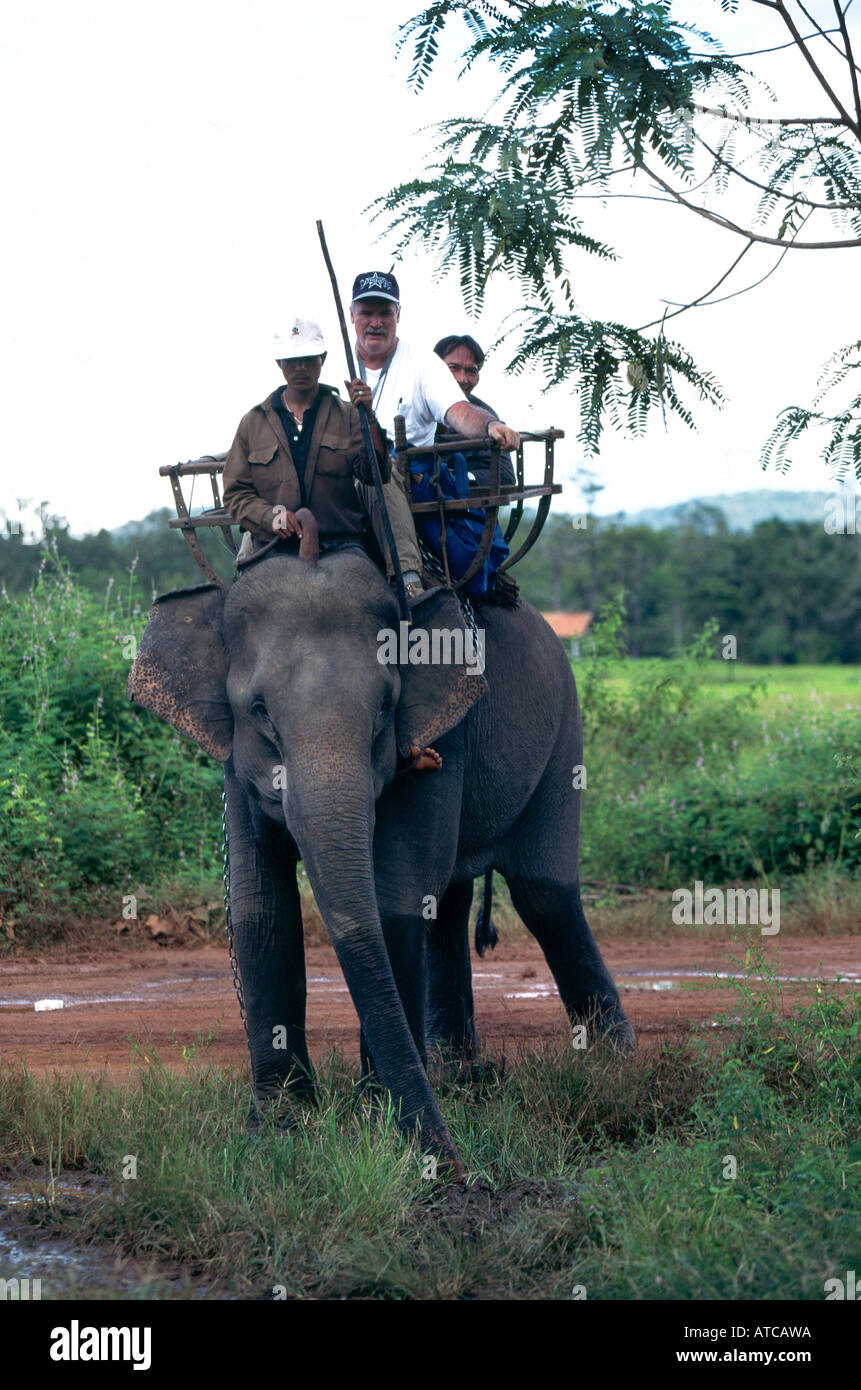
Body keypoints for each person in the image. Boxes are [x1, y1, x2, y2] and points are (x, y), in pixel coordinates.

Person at [222, 316, 441, 774]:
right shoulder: (253, 423)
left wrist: (368, 418)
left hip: (344, 548)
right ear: (281, 364)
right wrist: (271, 516)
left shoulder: (346, 414)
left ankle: (406, 742)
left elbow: (374, 473)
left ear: (322, 361)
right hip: (271, 551)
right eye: (292, 360)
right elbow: (237, 495)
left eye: (309, 359)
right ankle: (237, 746)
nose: (300, 368)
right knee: (232, 630)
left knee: (397, 623)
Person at [349, 272, 520, 597]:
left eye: (384, 313)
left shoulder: (423, 366)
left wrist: (489, 426)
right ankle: (247, 569)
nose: (375, 322)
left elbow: (459, 411)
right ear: (352, 314)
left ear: (398, 315)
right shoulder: (331, 366)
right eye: (367, 312)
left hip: (394, 478)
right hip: (334, 476)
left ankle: (408, 579)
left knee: (376, 474)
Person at [433, 334, 517, 489]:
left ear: (478, 377)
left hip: (465, 507)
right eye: (453, 368)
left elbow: (505, 475)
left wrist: (459, 479)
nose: (462, 379)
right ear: (432, 370)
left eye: (471, 371)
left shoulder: (485, 416)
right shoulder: (410, 405)